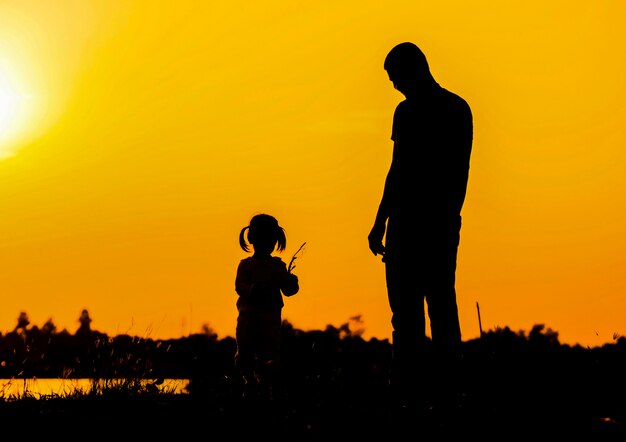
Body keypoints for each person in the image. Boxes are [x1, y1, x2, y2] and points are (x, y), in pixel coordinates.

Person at [367, 42, 473, 410]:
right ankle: (407, 393)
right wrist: (380, 221)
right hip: (405, 225)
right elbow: (396, 169)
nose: (394, 85)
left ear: (414, 69)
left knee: (440, 308)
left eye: (395, 77)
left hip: (435, 225)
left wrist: (445, 219)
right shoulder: (405, 112)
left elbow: (459, 172)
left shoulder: (455, 110)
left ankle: (446, 393)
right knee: (406, 315)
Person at [234, 213, 300, 400]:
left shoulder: (278, 267)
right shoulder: (246, 266)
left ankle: (266, 386)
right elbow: (240, 286)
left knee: (269, 354)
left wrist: (291, 282)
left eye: (270, 240)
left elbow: (288, 290)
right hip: (248, 318)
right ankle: (248, 382)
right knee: (245, 351)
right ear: (253, 239)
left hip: (270, 320)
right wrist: (254, 290)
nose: (267, 244)